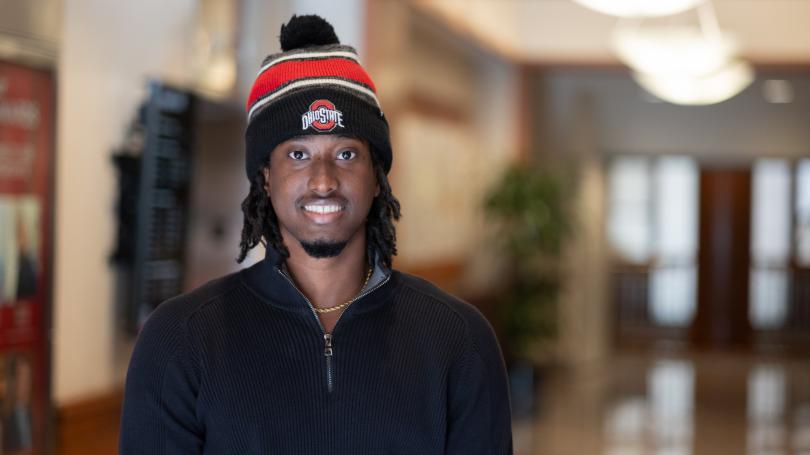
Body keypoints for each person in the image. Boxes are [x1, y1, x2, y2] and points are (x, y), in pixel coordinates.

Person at [120, 15, 512, 454]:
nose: (323, 181)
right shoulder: (179, 341)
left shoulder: (457, 342)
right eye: (299, 154)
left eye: (346, 153)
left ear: (377, 177)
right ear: (266, 176)